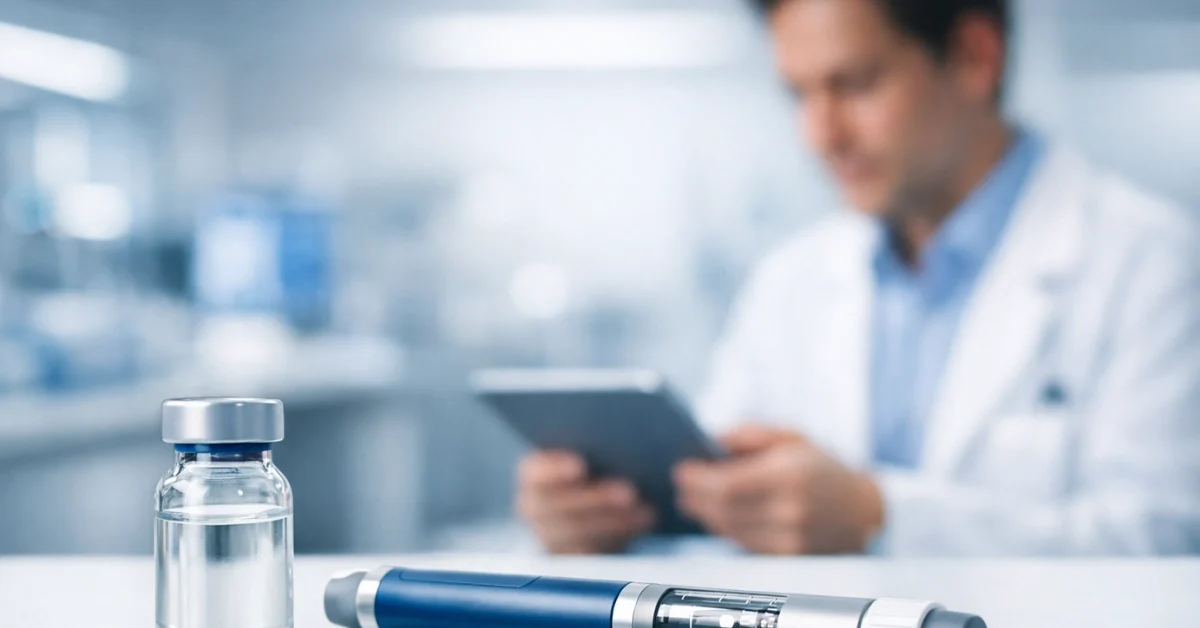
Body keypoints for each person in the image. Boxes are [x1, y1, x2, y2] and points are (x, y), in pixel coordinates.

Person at [515, 0, 1200, 555]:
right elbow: (719, 494)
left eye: (855, 84)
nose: (821, 133)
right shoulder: (792, 278)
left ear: (974, 57)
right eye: (799, 94)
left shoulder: (1149, 261)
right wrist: (612, 517)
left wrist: (880, 517)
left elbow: (1169, 542)